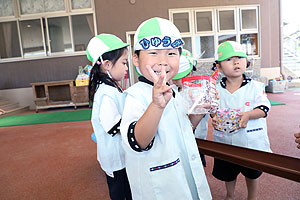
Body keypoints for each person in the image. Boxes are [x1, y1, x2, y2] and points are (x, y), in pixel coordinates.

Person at [120, 17, 212, 200]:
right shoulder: (135, 95)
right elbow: (137, 141)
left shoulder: (174, 92)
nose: (163, 61)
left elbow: (185, 129)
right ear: (136, 59)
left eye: (171, 53)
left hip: (182, 172)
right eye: (153, 52)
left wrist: (199, 111)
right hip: (159, 187)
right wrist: (156, 106)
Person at [211, 41, 271, 200]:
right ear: (219, 67)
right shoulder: (215, 89)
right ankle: (230, 195)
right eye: (229, 59)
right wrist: (214, 117)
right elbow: (212, 110)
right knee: (227, 173)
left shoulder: (256, 87)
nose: (236, 62)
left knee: (252, 172)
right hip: (225, 141)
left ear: (246, 61)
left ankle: (252, 196)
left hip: (250, 141)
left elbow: (264, 109)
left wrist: (248, 115)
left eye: (239, 57)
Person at [87, 33, 132, 200]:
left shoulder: (109, 87)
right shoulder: (106, 93)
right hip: (116, 159)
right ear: (106, 64)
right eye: (124, 62)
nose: (126, 67)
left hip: (118, 156)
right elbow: (113, 126)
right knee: (122, 194)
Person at [172, 49, 209, 167]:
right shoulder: (172, 91)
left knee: (197, 164)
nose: (174, 81)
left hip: (197, 138)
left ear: (189, 74)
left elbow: (208, 112)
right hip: (179, 140)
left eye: (177, 78)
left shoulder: (199, 91)